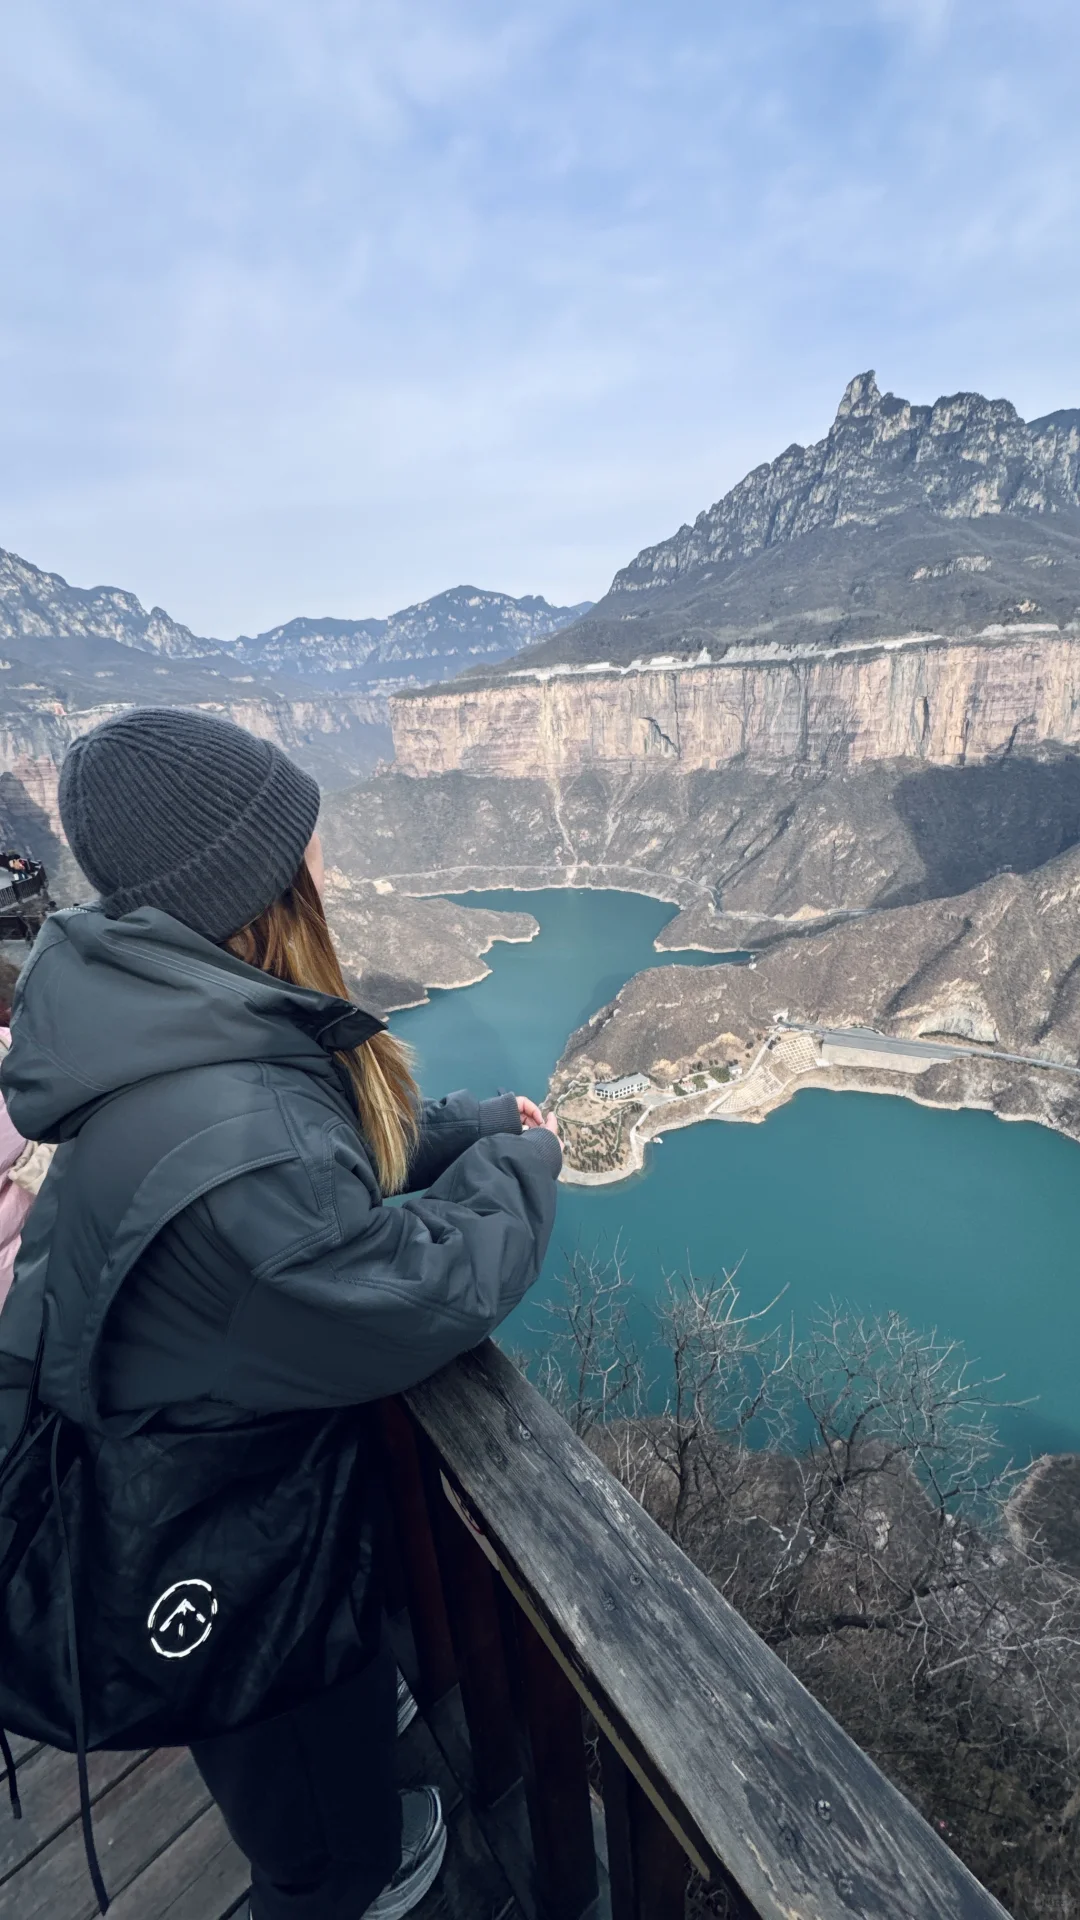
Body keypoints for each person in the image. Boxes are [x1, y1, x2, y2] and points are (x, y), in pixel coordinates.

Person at [0, 707, 562, 1920]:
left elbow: (308, 1159)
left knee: (306, 1732)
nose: (327, 863)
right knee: (325, 1853)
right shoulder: (238, 1135)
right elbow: (412, 1292)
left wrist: (458, 1128)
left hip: (168, 1472)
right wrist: (523, 1166)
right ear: (252, 887)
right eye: (304, 841)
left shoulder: (165, 1032)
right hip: (209, 1538)